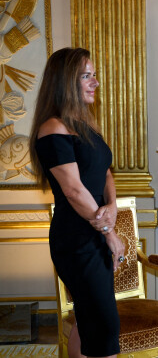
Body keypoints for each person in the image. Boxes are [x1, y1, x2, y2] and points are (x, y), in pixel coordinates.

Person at [29, 48, 125, 358]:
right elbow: (73, 190)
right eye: (87, 76)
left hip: (95, 229)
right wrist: (109, 231)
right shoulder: (52, 130)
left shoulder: (87, 127)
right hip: (76, 240)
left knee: (88, 322)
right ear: (65, 82)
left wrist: (111, 206)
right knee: (104, 326)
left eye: (94, 75)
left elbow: (105, 172)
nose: (95, 82)